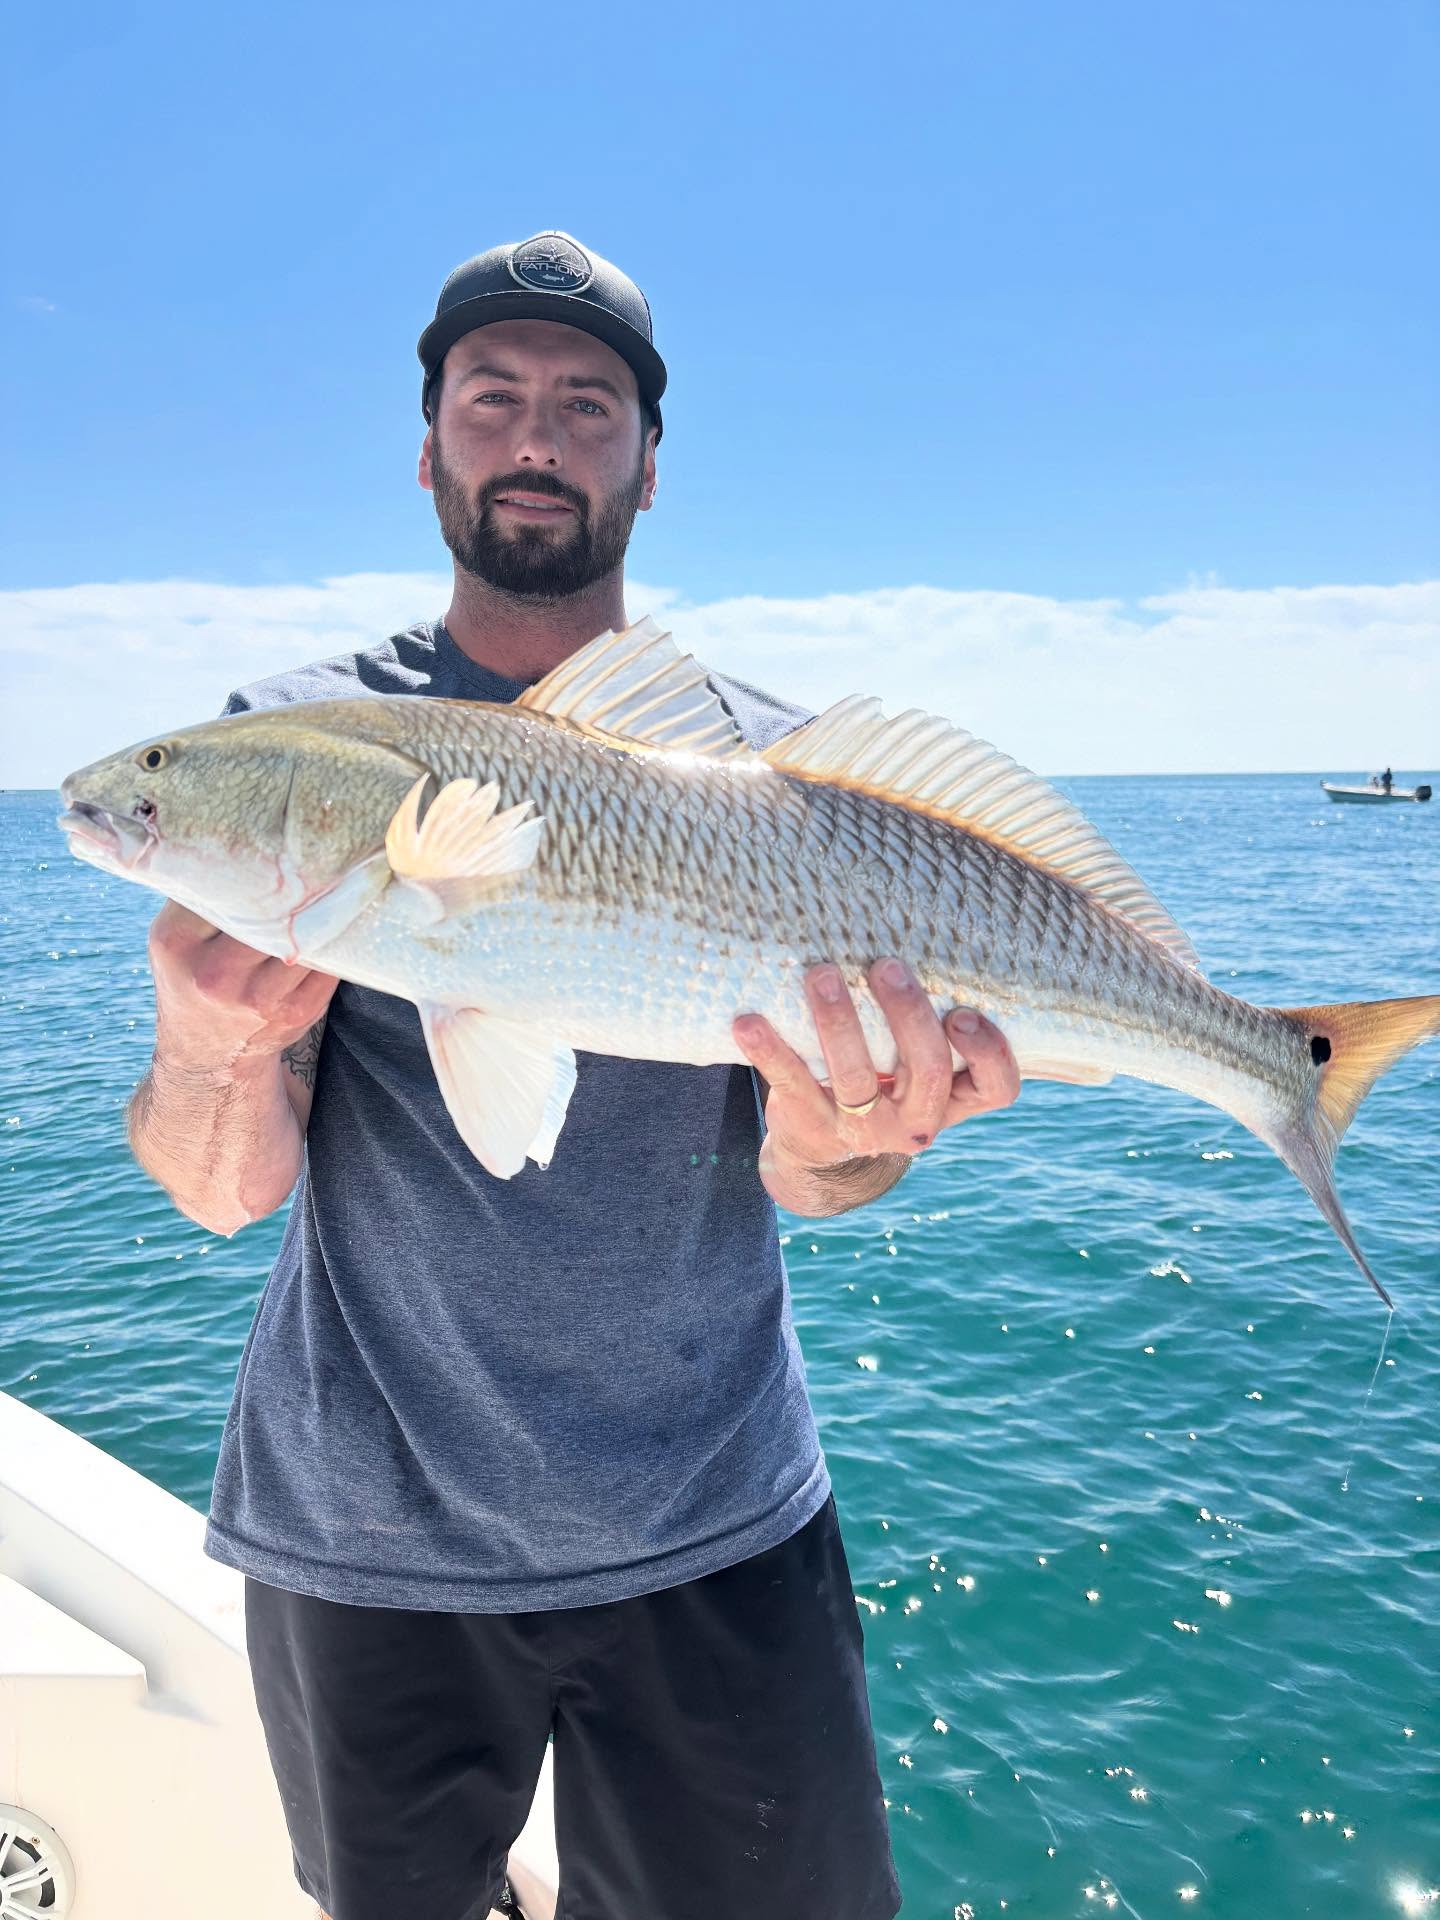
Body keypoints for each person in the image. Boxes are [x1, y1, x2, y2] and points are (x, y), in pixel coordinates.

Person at [126, 231, 1021, 1920]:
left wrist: (860, 1139)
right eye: (494, 398)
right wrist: (207, 1047)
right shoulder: (301, 748)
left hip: (716, 1518)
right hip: (365, 1541)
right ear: (429, 447)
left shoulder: (773, 773)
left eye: (587, 405)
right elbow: (218, 1187)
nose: (537, 438)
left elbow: (812, 1175)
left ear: (649, 465)